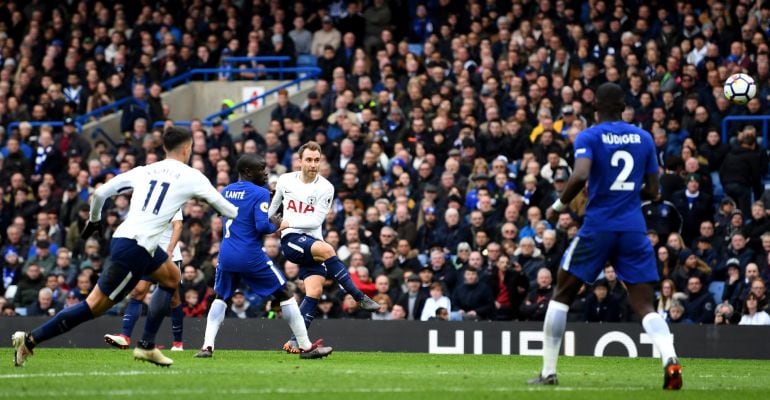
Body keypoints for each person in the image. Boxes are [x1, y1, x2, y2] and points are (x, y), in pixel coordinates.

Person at [12, 127, 238, 368]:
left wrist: (95, 220)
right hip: (136, 248)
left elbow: (99, 193)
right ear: (187, 148)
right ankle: (30, 340)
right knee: (94, 306)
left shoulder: (143, 171)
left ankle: (147, 346)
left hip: (132, 241)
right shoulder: (193, 176)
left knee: (172, 277)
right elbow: (228, 210)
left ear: (164, 148)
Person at [528, 83, 682, 390]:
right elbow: (653, 191)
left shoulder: (590, 136)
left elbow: (581, 174)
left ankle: (548, 372)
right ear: (624, 106)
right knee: (644, 305)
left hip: (598, 227)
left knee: (562, 295)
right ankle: (670, 358)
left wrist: (558, 207)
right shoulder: (644, 137)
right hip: (633, 229)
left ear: (595, 108)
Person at [194, 154, 331, 359]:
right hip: (249, 254)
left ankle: (207, 346)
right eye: (261, 168)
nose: (266, 172)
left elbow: (221, 213)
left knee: (221, 297)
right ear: (248, 172)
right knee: (285, 294)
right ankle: (305, 347)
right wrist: (278, 223)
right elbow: (262, 226)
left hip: (226, 253)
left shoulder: (227, 189)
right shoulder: (260, 192)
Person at [268, 141, 380, 353]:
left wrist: (287, 221)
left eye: (316, 160)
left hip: (312, 240)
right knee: (328, 250)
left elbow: (315, 221)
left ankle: (294, 342)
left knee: (315, 291)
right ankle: (358, 297)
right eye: (308, 160)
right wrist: (267, 224)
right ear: (300, 161)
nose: (312, 164)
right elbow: (274, 206)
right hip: (291, 240)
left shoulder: (325, 187)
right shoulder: (285, 180)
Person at [102, 208, 186, 351]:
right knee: (137, 292)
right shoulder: (144, 202)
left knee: (174, 299)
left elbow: (178, 225)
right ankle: (125, 337)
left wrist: (170, 250)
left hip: (168, 256)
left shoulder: (172, 200)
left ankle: (177, 343)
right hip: (148, 253)